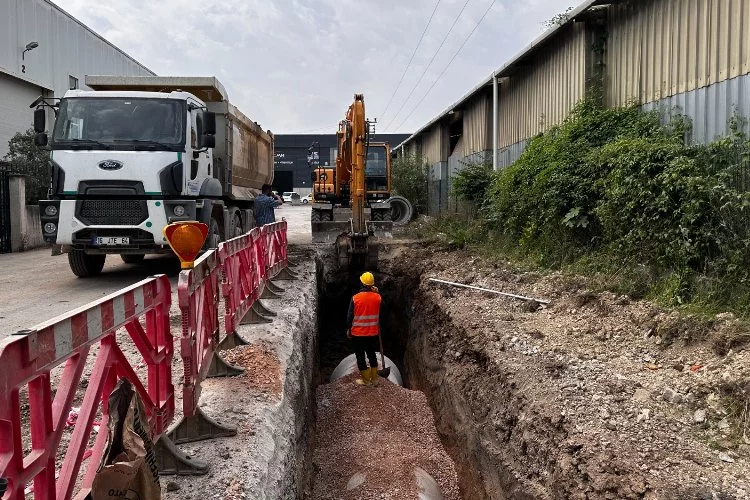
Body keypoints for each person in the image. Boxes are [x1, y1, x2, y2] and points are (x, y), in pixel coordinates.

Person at [346, 272, 382, 386]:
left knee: (360, 356)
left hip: (358, 333)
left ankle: (366, 381)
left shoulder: (355, 298)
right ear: (372, 285)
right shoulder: (378, 298)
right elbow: (383, 310)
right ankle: (375, 380)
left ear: (361, 283)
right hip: (372, 333)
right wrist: (376, 293)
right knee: (372, 354)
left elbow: (349, 317)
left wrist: (349, 329)